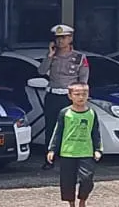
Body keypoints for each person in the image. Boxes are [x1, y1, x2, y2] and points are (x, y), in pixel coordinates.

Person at [46, 81, 102, 207]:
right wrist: (52, 149)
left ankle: (82, 203)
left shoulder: (92, 113)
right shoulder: (65, 113)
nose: (81, 97)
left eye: (84, 94)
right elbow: (58, 132)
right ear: (70, 96)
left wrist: (98, 149)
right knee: (67, 181)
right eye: (77, 94)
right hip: (68, 152)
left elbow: (95, 133)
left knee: (87, 179)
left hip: (86, 152)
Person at [38, 24, 89, 162]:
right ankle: (50, 158)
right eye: (58, 38)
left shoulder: (79, 57)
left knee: (70, 127)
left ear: (70, 38)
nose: (60, 41)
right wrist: (49, 55)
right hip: (53, 95)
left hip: (69, 97)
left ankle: (69, 157)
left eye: (64, 37)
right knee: (51, 127)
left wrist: (81, 97)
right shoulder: (52, 55)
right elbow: (41, 71)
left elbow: (83, 79)